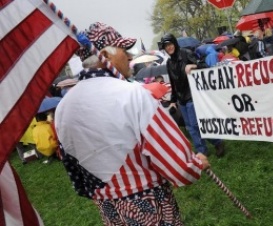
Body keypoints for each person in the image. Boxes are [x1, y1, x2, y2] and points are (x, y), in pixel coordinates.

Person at [55, 22, 210, 225]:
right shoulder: (133, 94)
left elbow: (74, 172)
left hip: (107, 207)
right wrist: (196, 165)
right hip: (149, 203)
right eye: (123, 50)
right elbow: (178, 165)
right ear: (105, 55)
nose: (129, 57)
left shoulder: (62, 108)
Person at [160, 33, 226, 157]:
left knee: (196, 125)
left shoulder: (186, 53)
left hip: (193, 94)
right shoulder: (169, 63)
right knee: (190, 127)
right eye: (166, 46)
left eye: (170, 44)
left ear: (174, 43)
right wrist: (173, 100)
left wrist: (193, 65)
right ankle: (202, 150)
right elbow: (173, 83)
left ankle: (216, 142)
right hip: (181, 99)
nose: (169, 47)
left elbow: (205, 66)